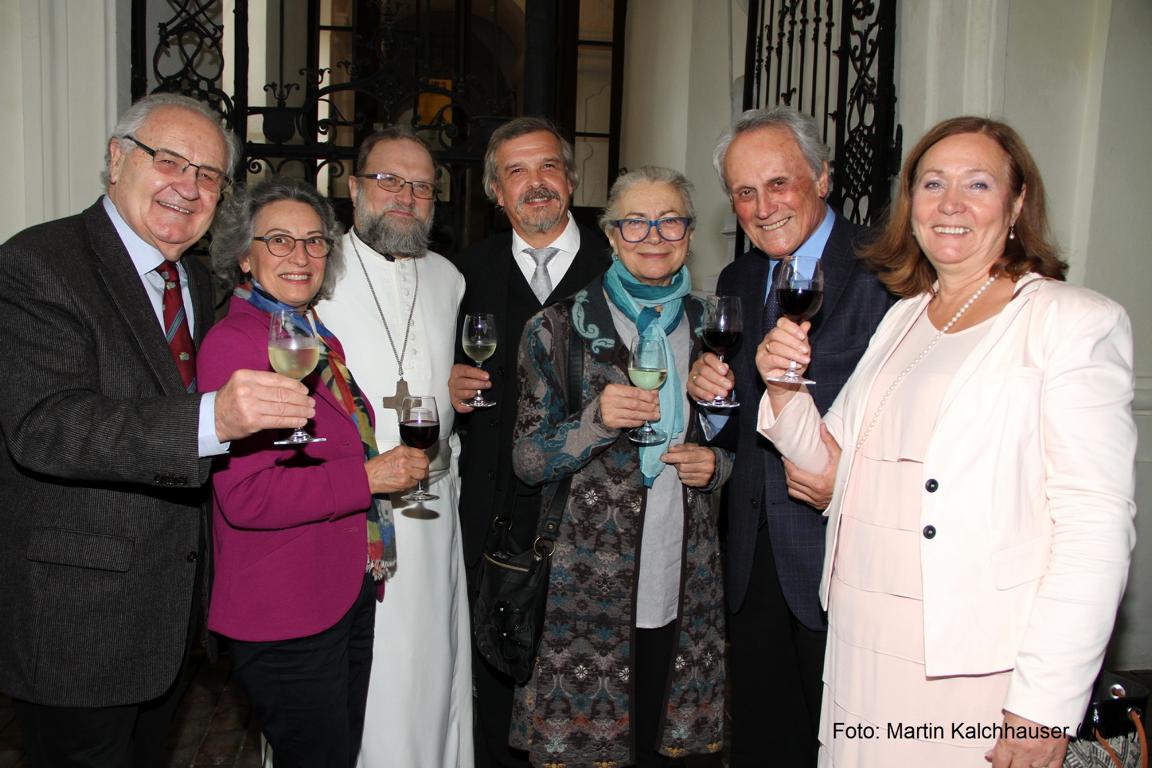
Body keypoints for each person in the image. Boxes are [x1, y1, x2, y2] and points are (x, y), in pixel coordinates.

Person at [756, 116, 1136, 766]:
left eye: (978, 184)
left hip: (970, 666)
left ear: (1017, 205)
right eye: (932, 184)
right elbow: (834, 476)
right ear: (912, 207)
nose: (951, 204)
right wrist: (786, 388)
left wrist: (1043, 705)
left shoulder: (1070, 322)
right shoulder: (906, 316)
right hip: (861, 649)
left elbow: (1094, 528)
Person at [0, 94, 316, 766]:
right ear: (115, 161)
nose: (189, 186)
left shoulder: (195, 282)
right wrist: (212, 419)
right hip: (77, 622)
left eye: (208, 175)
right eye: (169, 161)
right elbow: (44, 426)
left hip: (167, 617)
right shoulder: (39, 263)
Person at [197, 178, 429, 768]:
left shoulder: (313, 336)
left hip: (342, 587)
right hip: (284, 607)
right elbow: (245, 497)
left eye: (314, 241)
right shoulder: (236, 344)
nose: (300, 256)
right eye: (278, 240)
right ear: (244, 257)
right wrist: (368, 480)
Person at [685, 106, 892, 766]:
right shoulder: (739, 280)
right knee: (763, 739)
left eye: (778, 183)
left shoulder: (884, 272)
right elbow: (742, 426)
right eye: (744, 192)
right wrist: (713, 401)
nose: (762, 206)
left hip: (841, 552)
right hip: (751, 554)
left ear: (823, 176)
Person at [511, 166, 731, 767]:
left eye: (670, 220)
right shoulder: (555, 330)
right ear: (610, 235)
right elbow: (528, 461)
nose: (653, 235)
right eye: (635, 221)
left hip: (687, 577)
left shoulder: (719, 326)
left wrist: (718, 465)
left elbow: (746, 447)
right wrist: (596, 422)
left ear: (689, 232)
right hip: (584, 593)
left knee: (672, 751)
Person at [447, 115, 610, 767]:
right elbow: (425, 377)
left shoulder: (618, 263)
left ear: (570, 178)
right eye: (516, 171)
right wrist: (445, 384)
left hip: (592, 517)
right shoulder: (463, 274)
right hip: (493, 515)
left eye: (547, 167)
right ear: (495, 191)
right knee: (493, 681)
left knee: (584, 694)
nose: (535, 183)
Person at [315, 127, 473, 768]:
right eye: (388, 181)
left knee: (430, 668)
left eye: (421, 186)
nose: (405, 196)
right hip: (348, 514)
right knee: (365, 678)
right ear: (354, 189)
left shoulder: (451, 278)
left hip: (434, 517)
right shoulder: (314, 267)